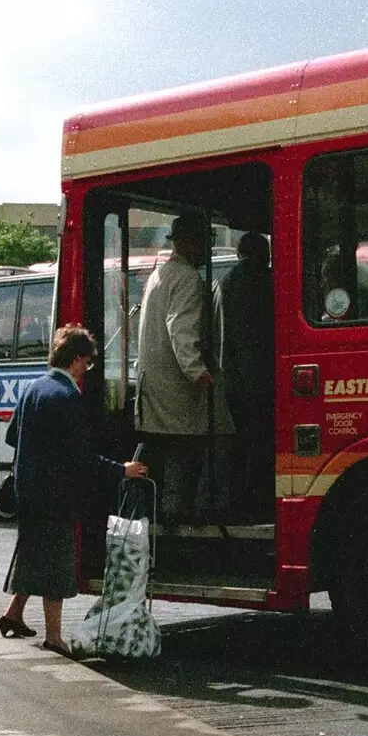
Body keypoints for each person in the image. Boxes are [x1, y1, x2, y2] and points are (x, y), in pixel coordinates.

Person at [0, 325, 148, 656]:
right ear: (78, 360)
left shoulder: (32, 388)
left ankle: (13, 614)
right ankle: (54, 637)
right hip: (57, 494)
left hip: (28, 489)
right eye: (89, 363)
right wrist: (122, 470)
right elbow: (80, 458)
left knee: (33, 551)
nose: (88, 370)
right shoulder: (68, 398)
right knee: (57, 564)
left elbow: (12, 437)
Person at [135, 214, 220, 526]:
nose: (208, 251)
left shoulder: (160, 274)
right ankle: (176, 522)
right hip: (176, 387)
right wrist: (198, 371)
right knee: (181, 457)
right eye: (206, 243)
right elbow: (181, 330)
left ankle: (157, 521)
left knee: (160, 453)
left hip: (153, 384)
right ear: (191, 242)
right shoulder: (186, 279)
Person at [213, 231, 275, 521]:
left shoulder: (224, 281)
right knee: (264, 444)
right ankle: (260, 503)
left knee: (243, 445)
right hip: (265, 377)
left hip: (233, 378)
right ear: (265, 254)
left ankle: (241, 505)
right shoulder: (268, 278)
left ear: (239, 253)